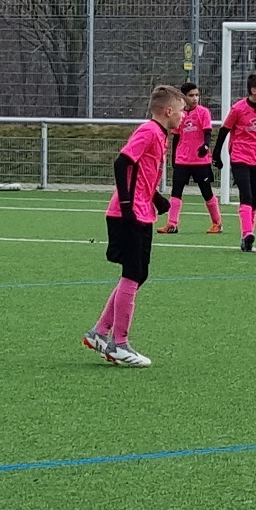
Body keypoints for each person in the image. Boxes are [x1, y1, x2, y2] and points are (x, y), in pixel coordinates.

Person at [82, 85, 186, 368]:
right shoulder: (149, 131)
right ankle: (119, 344)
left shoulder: (161, 135)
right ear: (168, 111)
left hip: (142, 211)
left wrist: (156, 198)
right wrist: (127, 205)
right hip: (127, 214)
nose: (183, 116)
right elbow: (122, 163)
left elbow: (141, 173)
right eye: (181, 111)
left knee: (139, 274)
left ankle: (99, 333)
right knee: (132, 273)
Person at [212, 72, 256, 253]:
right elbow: (224, 130)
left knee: (253, 197)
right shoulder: (238, 109)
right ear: (253, 90)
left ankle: (247, 240)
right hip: (240, 156)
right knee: (245, 195)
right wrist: (217, 155)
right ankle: (247, 233)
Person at [156, 82, 223, 235]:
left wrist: (205, 146)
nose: (195, 98)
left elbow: (207, 133)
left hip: (200, 160)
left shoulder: (203, 112)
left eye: (197, 95)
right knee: (176, 192)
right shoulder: (179, 114)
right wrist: (174, 157)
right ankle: (172, 224)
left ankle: (217, 223)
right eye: (191, 95)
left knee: (206, 192)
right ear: (183, 97)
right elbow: (176, 137)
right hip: (182, 160)